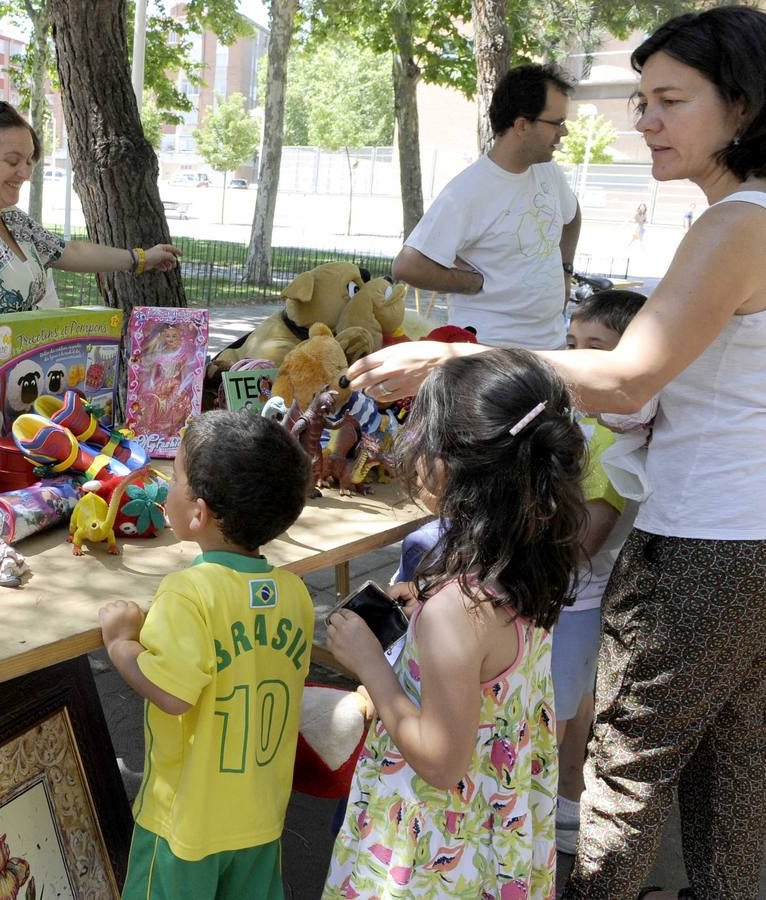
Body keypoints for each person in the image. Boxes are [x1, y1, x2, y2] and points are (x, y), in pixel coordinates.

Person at [345, 8, 766, 896]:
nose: (642, 121)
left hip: (708, 541)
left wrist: (454, 354)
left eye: (667, 101)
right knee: (734, 781)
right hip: (743, 537)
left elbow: (624, 379)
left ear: (742, 106)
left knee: (624, 778)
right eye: (642, 99)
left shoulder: (737, 224)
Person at [324, 349, 586, 899]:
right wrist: (422, 602)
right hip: (497, 833)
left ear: (448, 465)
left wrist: (370, 664)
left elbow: (441, 763)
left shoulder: (456, 611)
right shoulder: (529, 560)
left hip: (433, 850)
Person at [99, 411, 313, 900]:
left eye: (173, 476)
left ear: (198, 514)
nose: (164, 484)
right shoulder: (295, 593)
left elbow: (173, 694)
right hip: (260, 820)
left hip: (184, 827)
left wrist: (121, 645)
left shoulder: (188, 592)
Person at [0, 99, 182, 453]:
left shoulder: (9, 217)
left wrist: (140, 258)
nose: (24, 172)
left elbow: (68, 251)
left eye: (29, 161)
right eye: (12, 160)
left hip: (7, 396)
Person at [392, 63, 582, 350]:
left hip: (550, 347)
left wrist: (566, 270)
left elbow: (572, 216)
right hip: (491, 355)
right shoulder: (468, 190)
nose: (564, 132)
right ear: (521, 125)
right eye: (557, 122)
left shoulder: (548, 172)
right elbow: (408, 266)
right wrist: (471, 283)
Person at [553, 289, 646, 857]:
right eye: (571, 345)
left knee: (558, 716)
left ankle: (551, 814)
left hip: (574, 604)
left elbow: (585, 541)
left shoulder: (608, 439)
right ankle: (564, 805)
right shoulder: (585, 426)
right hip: (570, 604)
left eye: (596, 347)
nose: (578, 360)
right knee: (568, 712)